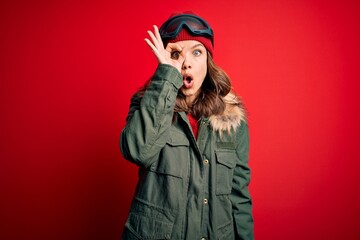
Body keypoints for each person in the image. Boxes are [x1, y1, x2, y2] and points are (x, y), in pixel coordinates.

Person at [120, 12, 254, 240]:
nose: (186, 63)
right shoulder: (147, 104)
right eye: (175, 54)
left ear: (208, 61)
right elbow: (138, 151)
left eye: (197, 52)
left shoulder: (231, 119)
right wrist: (166, 77)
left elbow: (239, 196)